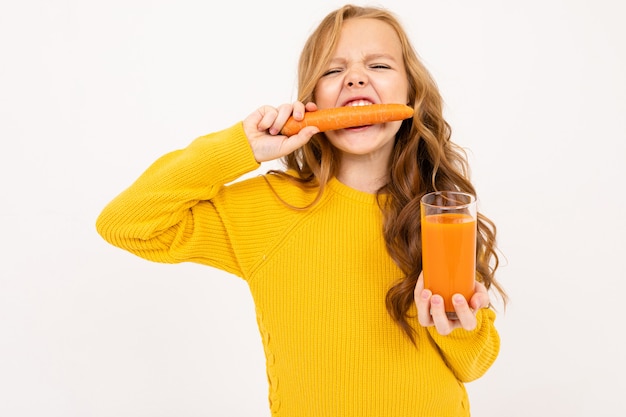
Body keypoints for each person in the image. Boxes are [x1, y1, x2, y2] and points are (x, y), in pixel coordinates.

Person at [96, 4, 507, 416]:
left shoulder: (442, 216)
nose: (356, 77)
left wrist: (458, 330)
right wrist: (241, 147)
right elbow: (126, 223)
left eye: (379, 65)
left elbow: (473, 365)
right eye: (333, 70)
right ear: (311, 102)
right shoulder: (271, 207)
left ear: (411, 94)